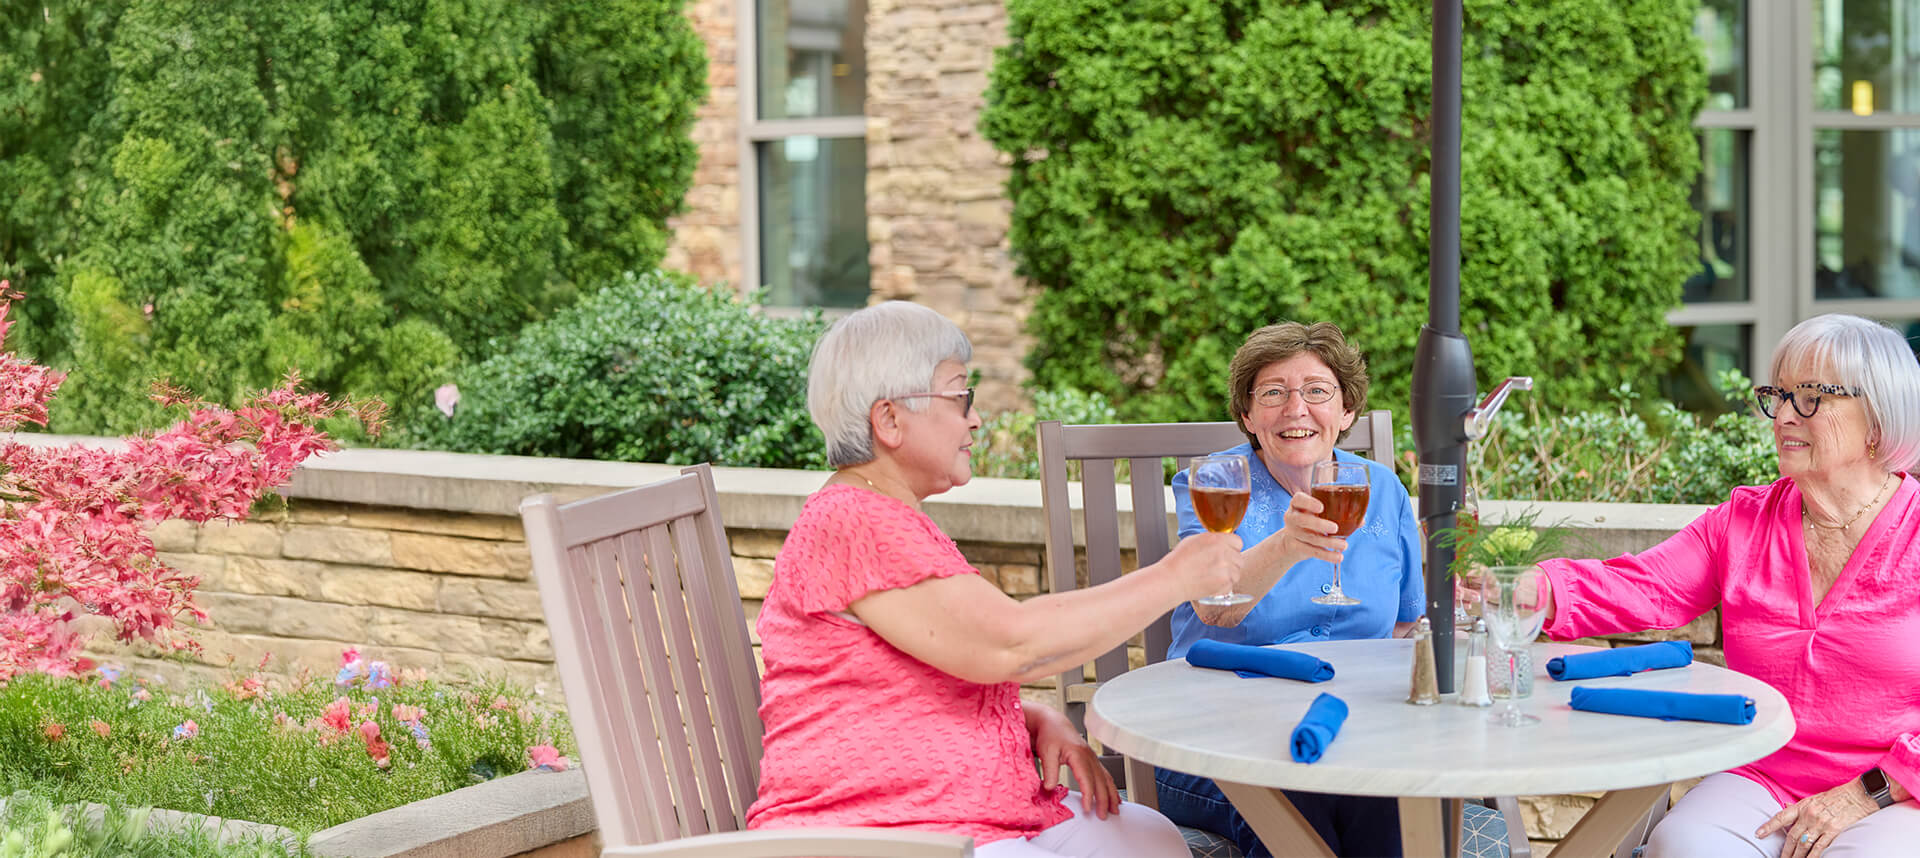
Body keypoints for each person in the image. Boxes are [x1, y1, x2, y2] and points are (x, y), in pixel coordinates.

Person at [747, 301, 1247, 857]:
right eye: (960, 394)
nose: (975, 418)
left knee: (1150, 839)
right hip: (874, 830)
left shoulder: (885, 515)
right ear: (889, 420)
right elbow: (1011, 643)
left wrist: (1032, 717)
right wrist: (1175, 576)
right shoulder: (853, 521)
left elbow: (914, 677)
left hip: (950, 811)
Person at [1532, 314, 1920, 858]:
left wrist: (1869, 792)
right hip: (1760, 776)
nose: (1784, 415)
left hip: (1891, 792)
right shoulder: (1743, 522)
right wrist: (1533, 589)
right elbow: (1643, 587)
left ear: (1877, 422)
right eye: (1779, 395)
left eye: (1811, 398)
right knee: (1681, 844)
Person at [1153, 321, 1425, 858]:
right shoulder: (1214, 484)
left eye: (1317, 392)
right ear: (1248, 416)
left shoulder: (1382, 489)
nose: (1295, 409)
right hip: (1212, 736)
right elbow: (1214, 608)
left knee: (1384, 792)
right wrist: (1287, 543)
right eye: (1273, 393)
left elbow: (1403, 624)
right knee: (1305, 795)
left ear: (1346, 412)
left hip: (1346, 729)